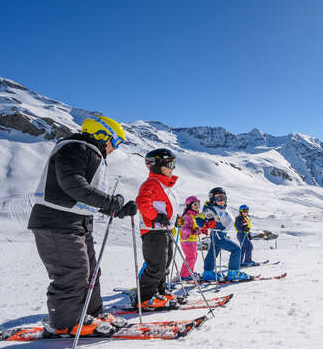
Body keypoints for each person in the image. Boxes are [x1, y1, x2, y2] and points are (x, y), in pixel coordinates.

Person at [29, 115, 137, 336]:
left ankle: (91, 315)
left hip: (75, 222)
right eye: (115, 142)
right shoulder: (74, 148)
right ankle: (66, 323)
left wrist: (118, 208)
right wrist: (110, 202)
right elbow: (73, 185)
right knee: (73, 273)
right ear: (101, 134)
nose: (115, 149)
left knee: (91, 273)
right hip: (56, 222)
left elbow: (83, 196)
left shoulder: (88, 152)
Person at [136, 148, 179, 307]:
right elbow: (142, 203)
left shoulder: (164, 185)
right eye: (170, 164)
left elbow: (167, 207)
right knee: (156, 265)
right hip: (153, 231)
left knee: (165, 264)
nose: (172, 168)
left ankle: (159, 291)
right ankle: (145, 298)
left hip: (164, 230)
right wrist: (155, 216)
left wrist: (176, 219)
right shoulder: (151, 184)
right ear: (157, 166)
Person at [201, 187, 249, 281]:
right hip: (218, 234)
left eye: (223, 198)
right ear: (213, 199)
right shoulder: (211, 209)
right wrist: (206, 223)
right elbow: (199, 218)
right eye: (219, 198)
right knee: (236, 249)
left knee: (213, 253)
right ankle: (233, 272)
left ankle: (208, 273)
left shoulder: (219, 208)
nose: (222, 200)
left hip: (219, 234)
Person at [179, 196, 209, 280]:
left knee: (194, 256)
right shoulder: (186, 216)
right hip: (187, 240)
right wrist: (192, 231)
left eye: (198, 204)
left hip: (193, 240)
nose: (197, 206)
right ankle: (184, 275)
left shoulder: (195, 216)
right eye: (194, 204)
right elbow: (183, 228)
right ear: (189, 206)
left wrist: (202, 230)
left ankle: (189, 272)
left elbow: (196, 227)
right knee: (191, 257)